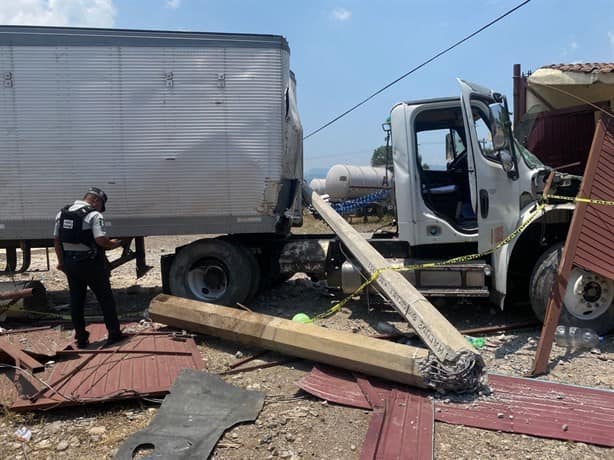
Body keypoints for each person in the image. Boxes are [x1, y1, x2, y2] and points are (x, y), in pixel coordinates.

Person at [53, 187, 125, 348]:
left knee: (76, 300)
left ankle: (81, 337)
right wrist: (114, 244)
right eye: (101, 205)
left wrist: (61, 262)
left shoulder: (62, 213)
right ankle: (114, 334)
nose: (101, 209)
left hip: (70, 263)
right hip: (91, 264)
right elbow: (101, 241)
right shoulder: (94, 214)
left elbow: (56, 241)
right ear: (96, 201)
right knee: (105, 298)